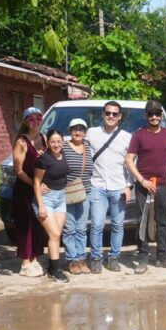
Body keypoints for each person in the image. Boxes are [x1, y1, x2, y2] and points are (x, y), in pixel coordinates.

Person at [126, 99, 166, 274]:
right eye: (151, 114)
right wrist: (141, 180)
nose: (154, 117)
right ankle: (142, 257)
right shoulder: (138, 135)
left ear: (161, 116)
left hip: (162, 184)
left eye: (157, 114)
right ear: (145, 115)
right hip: (144, 185)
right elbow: (129, 160)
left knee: (162, 220)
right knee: (142, 221)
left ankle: (162, 255)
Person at [86, 101, 133, 274]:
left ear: (120, 116)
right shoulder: (92, 133)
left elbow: (131, 163)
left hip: (119, 187)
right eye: (108, 113)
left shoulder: (127, 137)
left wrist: (129, 185)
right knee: (97, 224)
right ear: (102, 114)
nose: (111, 116)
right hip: (97, 186)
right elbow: (76, 147)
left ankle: (114, 258)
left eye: (114, 114)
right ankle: (96, 258)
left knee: (117, 225)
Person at [11, 106, 46, 277]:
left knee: (38, 224)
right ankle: (25, 263)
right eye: (31, 119)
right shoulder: (22, 142)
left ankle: (35, 259)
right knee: (26, 226)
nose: (35, 122)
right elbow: (18, 170)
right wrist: (34, 183)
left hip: (41, 189)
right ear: (25, 122)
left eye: (38, 118)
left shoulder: (44, 138)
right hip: (25, 189)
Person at [32, 129, 70, 283]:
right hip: (46, 199)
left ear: (63, 141)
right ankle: (56, 270)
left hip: (60, 198)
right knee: (54, 234)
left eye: (59, 141)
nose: (56, 144)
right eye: (53, 142)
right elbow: (36, 182)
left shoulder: (64, 155)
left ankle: (51, 268)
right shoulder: (43, 160)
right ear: (48, 143)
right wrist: (40, 206)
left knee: (56, 235)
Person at [62, 118, 94, 275]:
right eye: (74, 129)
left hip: (85, 193)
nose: (78, 132)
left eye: (81, 129)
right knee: (69, 229)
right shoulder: (63, 147)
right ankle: (72, 260)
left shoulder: (89, 147)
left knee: (81, 228)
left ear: (85, 132)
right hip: (67, 193)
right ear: (69, 131)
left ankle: (82, 259)